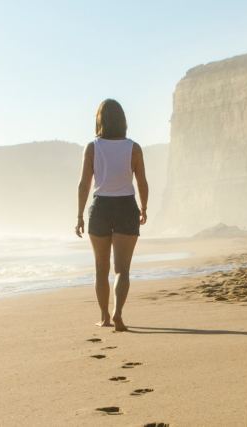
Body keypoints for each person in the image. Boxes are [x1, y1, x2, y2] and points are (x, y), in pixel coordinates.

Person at [75, 99, 148, 332]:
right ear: (123, 121)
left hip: (100, 208)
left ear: (100, 120)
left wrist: (79, 216)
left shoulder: (92, 147)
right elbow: (142, 182)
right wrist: (144, 208)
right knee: (122, 270)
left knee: (101, 268)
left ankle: (105, 316)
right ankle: (118, 314)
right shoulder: (133, 148)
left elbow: (83, 185)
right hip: (126, 206)